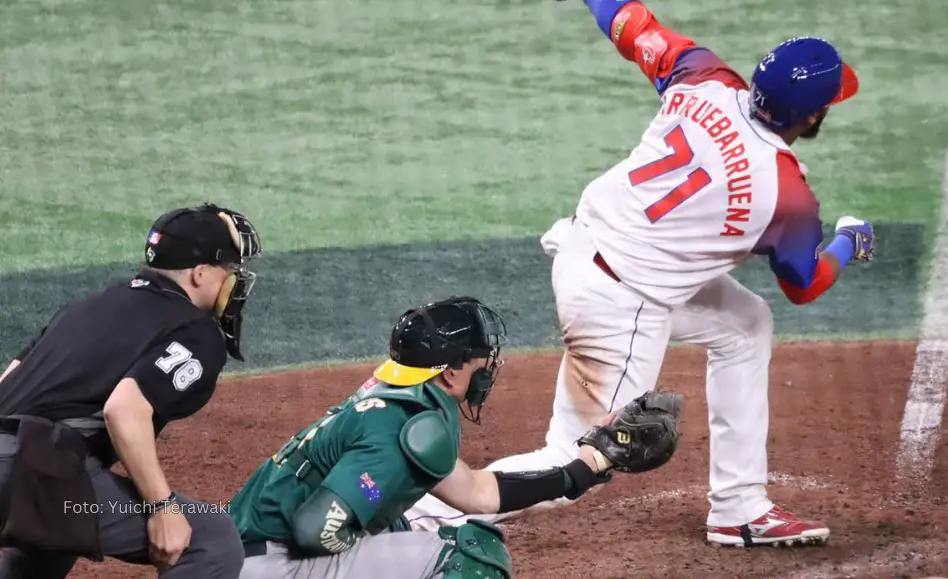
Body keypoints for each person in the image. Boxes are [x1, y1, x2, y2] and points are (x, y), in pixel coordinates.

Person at [404, 0, 876, 548]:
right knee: (576, 456)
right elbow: (805, 283)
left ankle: (739, 507)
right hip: (619, 301)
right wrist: (848, 240)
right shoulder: (786, 197)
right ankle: (415, 514)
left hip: (590, 244)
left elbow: (630, 22)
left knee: (745, 325)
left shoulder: (706, 78)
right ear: (812, 114)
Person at [230, 296, 681, 579]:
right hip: (271, 564)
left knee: (400, 523)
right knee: (473, 555)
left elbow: (477, 494)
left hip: (237, 551)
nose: (490, 367)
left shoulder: (391, 394)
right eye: (482, 359)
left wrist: (583, 469)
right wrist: (363, 544)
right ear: (450, 371)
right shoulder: (415, 426)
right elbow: (315, 531)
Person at [0, 203, 263, 577]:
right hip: (28, 471)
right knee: (210, 537)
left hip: (31, 473)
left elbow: (9, 380)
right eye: (230, 271)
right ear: (200, 274)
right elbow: (123, 409)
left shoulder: (86, 308)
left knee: (53, 536)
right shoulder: (195, 330)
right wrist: (162, 506)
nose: (234, 281)